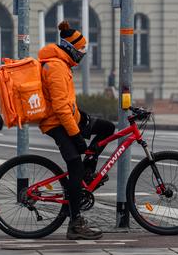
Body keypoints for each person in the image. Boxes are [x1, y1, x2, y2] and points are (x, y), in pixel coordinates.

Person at [38, 20, 115, 240]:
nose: (83, 54)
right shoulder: (55, 67)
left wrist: (80, 123)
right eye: (81, 50)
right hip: (57, 124)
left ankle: (88, 170)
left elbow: (67, 106)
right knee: (74, 166)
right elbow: (61, 109)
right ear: (70, 48)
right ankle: (75, 224)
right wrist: (76, 136)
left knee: (107, 128)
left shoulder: (62, 64)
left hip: (70, 118)